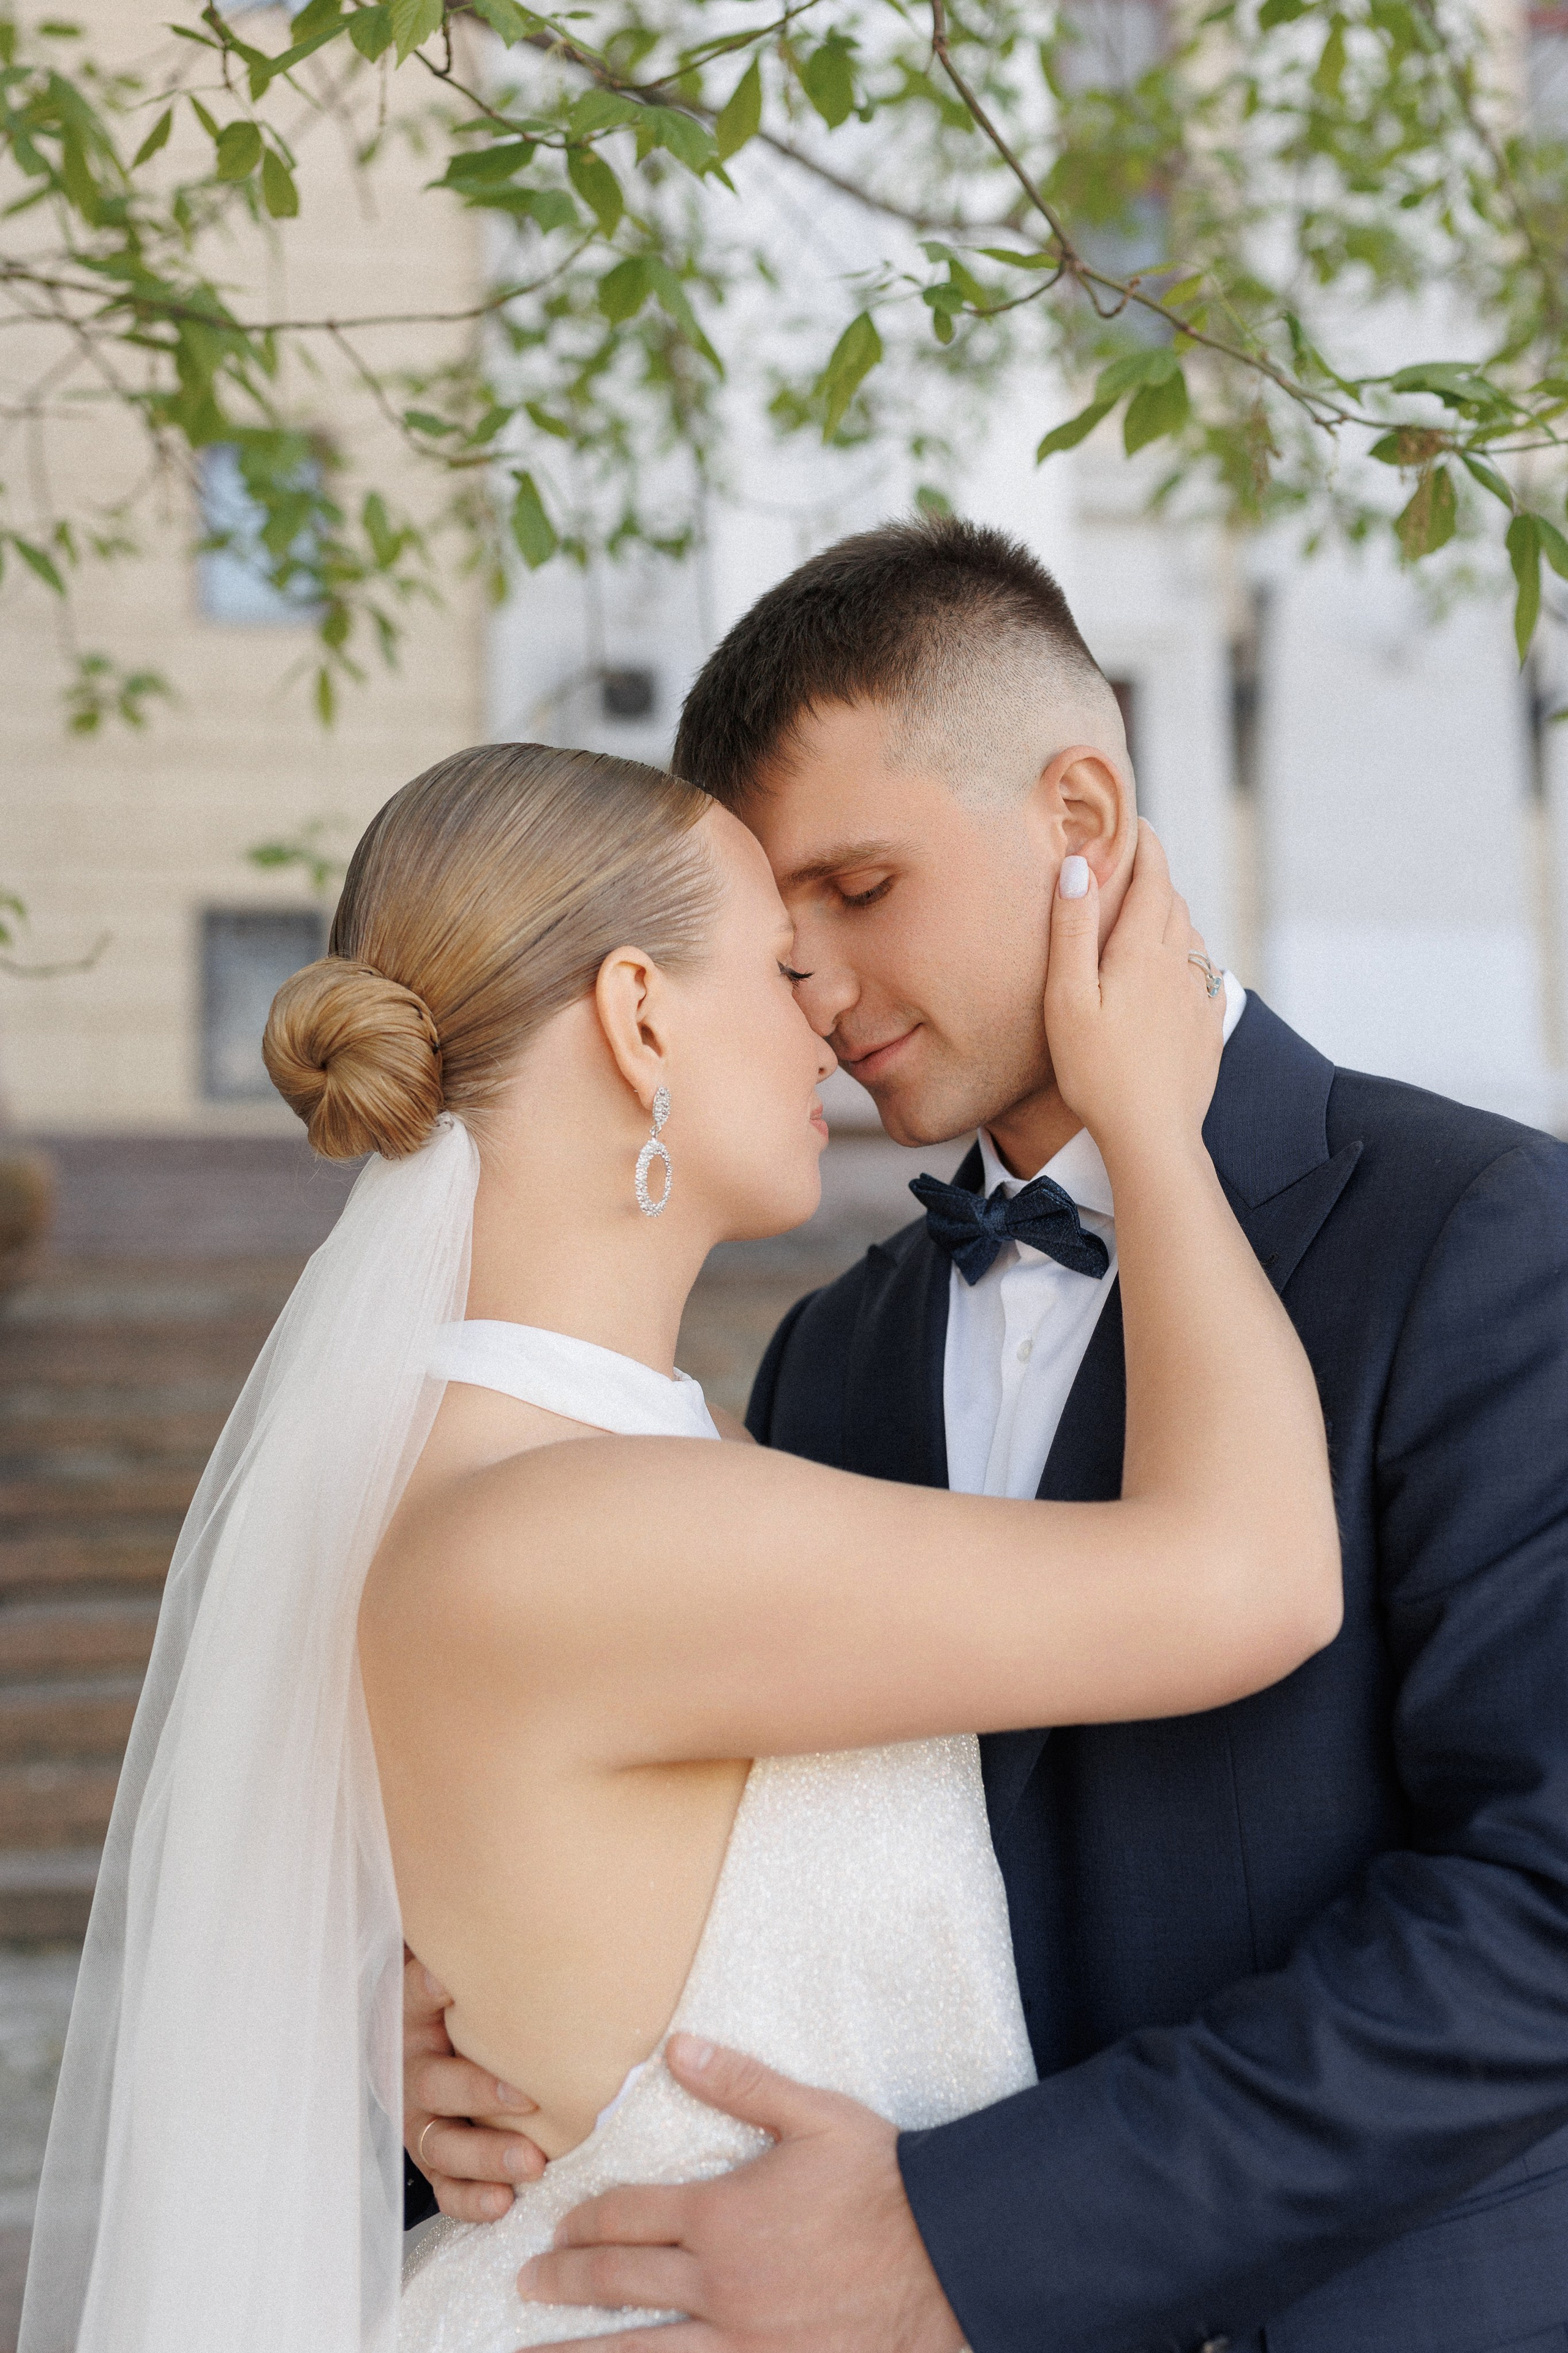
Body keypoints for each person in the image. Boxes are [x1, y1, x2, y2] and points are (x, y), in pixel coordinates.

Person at [20, 740, 1337, 2353]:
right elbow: (1253, 1577)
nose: (831, 1017)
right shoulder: (585, 1525)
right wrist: (1158, 1122)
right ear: (641, 1016)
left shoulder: (537, 1476)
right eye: (785, 964)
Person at [415, 520, 1568, 2353]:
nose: (812, 986)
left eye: (860, 888)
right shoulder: (827, 1361)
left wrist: (970, 2236)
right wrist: (485, 2049)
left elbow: (1539, 1920)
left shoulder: (1491, 1235)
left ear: (1080, 816)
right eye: (773, 937)